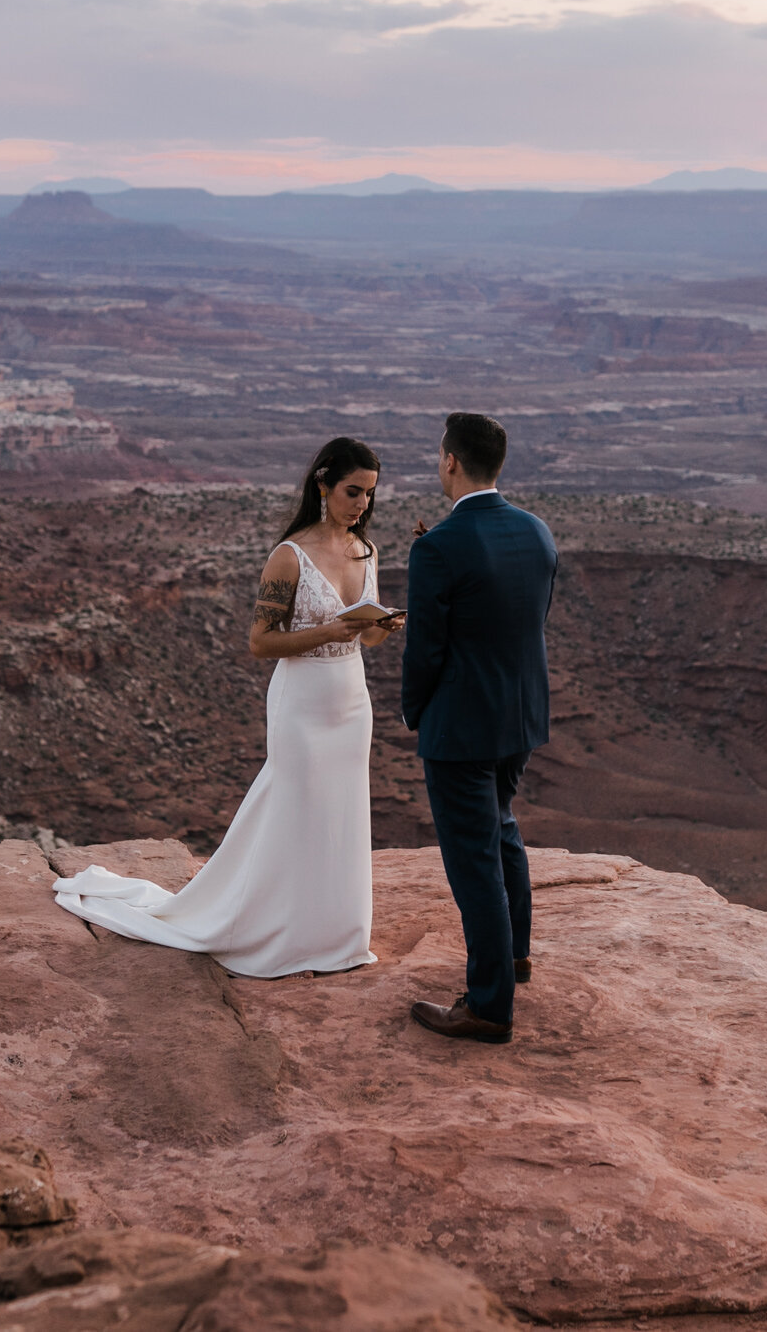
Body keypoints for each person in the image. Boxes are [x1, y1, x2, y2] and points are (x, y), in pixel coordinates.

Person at [50, 436, 399, 976]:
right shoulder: (290, 556)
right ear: (323, 484)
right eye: (354, 492)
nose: (363, 505)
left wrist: (382, 628)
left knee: (341, 811)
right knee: (295, 806)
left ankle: (337, 935)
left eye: (370, 496)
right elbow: (260, 642)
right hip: (302, 701)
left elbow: (364, 643)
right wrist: (329, 629)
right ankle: (273, 927)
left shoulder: (367, 552)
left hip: (352, 700)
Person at [401, 411, 557, 1044]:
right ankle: (514, 957)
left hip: (461, 726)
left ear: (450, 462)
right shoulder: (537, 532)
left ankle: (489, 1005)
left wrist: (415, 709)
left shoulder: (438, 546)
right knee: (503, 831)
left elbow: (426, 651)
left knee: (474, 863)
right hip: (519, 716)